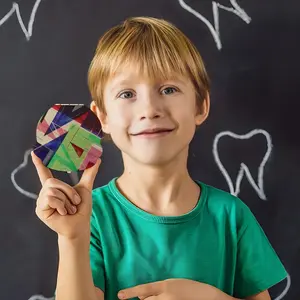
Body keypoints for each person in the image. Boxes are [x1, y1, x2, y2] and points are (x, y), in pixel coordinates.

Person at [31, 16, 287, 300]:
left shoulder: (231, 217)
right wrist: (72, 239)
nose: (150, 109)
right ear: (101, 116)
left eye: (168, 89)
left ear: (200, 106)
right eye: (127, 93)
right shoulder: (92, 217)